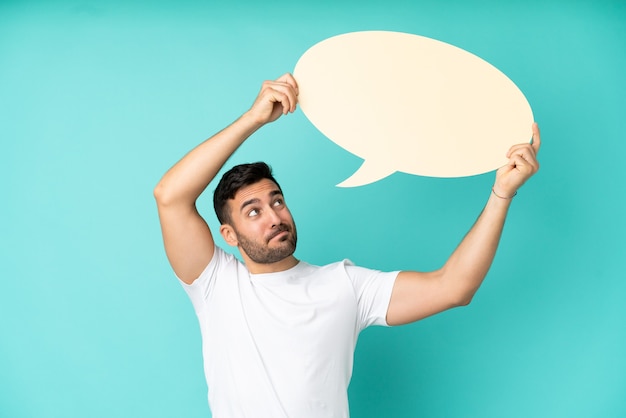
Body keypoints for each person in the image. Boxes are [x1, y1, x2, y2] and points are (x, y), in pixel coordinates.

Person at [153, 73, 541, 418]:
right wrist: (254, 119)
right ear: (229, 235)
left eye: (277, 200)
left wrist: (501, 193)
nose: (274, 216)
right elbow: (169, 196)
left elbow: (454, 286)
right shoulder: (215, 284)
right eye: (253, 212)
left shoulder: (345, 286)